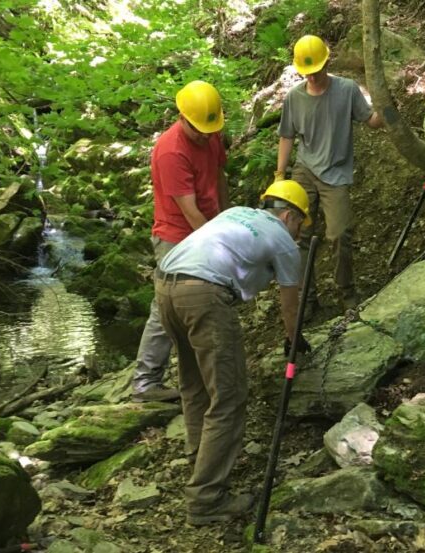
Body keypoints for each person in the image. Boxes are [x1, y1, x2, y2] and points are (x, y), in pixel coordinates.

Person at [154, 180, 312, 525]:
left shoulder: (237, 212)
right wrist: (294, 340)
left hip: (166, 284)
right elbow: (291, 305)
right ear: (288, 215)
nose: (299, 233)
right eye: (300, 223)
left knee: (195, 385)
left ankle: (200, 460)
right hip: (204, 294)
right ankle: (206, 499)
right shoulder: (284, 241)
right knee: (228, 397)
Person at [132, 80, 229, 403]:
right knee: (166, 308)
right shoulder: (171, 151)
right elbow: (190, 211)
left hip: (208, 226)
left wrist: (227, 221)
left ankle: (200, 373)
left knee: (208, 302)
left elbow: (218, 177)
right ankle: (145, 382)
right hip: (176, 238)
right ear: (182, 117)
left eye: (208, 129)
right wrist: (219, 246)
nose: (205, 135)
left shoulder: (210, 133)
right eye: (199, 129)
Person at [275, 34, 384, 314]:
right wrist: (279, 174)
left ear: (327, 62)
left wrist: (385, 107)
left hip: (335, 172)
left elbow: (371, 120)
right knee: (298, 234)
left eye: (316, 71)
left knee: (339, 233)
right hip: (305, 170)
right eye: (306, 73)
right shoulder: (294, 98)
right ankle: (307, 298)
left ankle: (346, 291)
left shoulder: (347, 90)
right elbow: (286, 136)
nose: (312, 77)